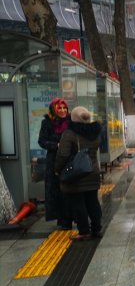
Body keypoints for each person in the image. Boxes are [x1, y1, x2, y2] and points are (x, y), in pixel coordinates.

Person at [54, 106, 102, 241]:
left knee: (78, 203)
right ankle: (96, 229)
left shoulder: (70, 133)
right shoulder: (96, 132)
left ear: (73, 119)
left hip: (77, 174)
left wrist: (57, 170)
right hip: (92, 171)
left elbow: (63, 154)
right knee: (93, 201)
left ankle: (84, 231)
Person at [38, 98, 73, 230]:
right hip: (53, 161)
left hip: (69, 160)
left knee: (68, 189)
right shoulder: (46, 123)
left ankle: (68, 218)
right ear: (54, 109)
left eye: (65, 108)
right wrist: (56, 145)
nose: (63, 111)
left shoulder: (71, 122)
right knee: (56, 190)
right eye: (60, 108)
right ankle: (61, 218)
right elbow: (41, 141)